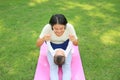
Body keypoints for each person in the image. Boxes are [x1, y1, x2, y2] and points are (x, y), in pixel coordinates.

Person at [36, 14, 78, 80]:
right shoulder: (47, 27)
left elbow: (76, 44)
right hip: (53, 46)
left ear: (65, 26)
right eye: (56, 28)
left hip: (65, 45)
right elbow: (38, 44)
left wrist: (74, 40)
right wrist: (44, 38)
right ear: (52, 26)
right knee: (53, 68)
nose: (59, 31)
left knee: (67, 67)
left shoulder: (69, 27)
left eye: (61, 28)